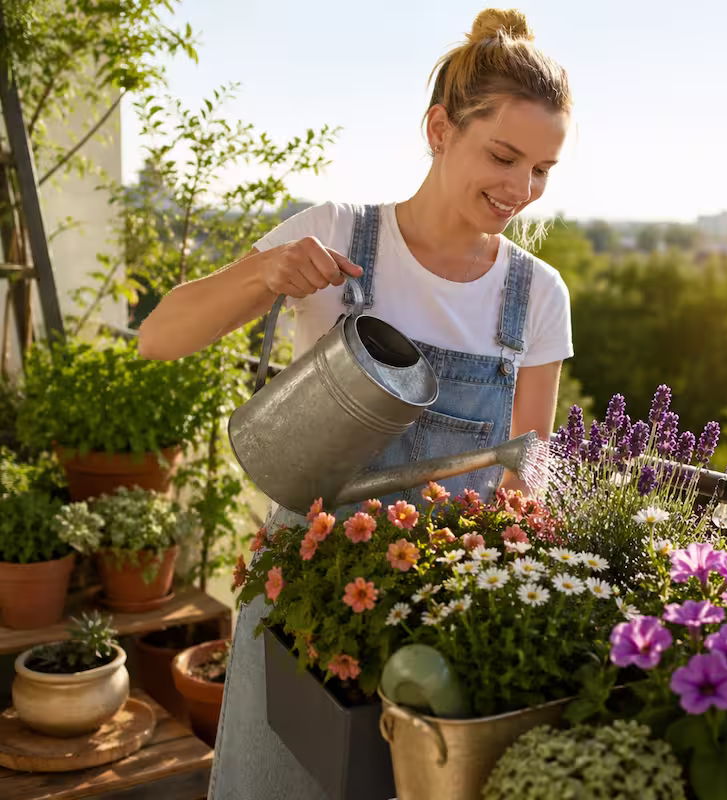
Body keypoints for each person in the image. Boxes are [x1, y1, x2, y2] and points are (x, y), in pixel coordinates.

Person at [137, 8, 573, 798]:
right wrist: (264, 273)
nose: (521, 189)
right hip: (307, 603)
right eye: (503, 156)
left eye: (542, 169)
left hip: (439, 619)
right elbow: (158, 338)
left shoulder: (537, 295)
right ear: (439, 129)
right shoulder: (337, 236)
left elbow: (527, 467)